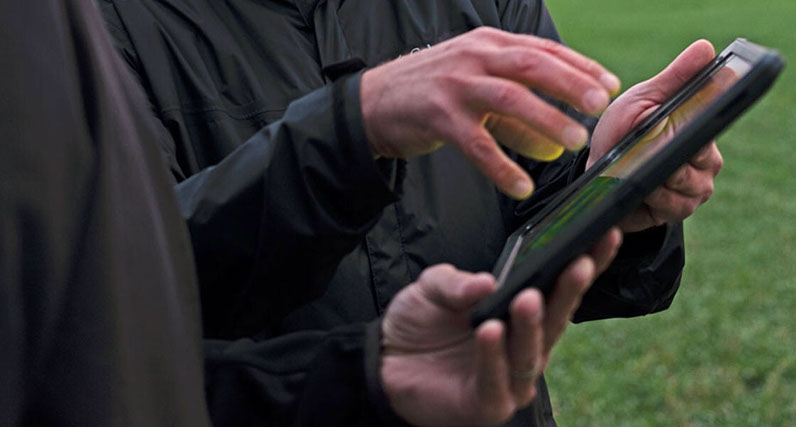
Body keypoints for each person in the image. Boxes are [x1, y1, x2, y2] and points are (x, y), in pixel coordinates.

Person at [97, 0, 723, 424]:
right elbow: (112, 302)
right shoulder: (98, 27)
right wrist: (351, 129)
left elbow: (536, 226)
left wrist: (609, 190)